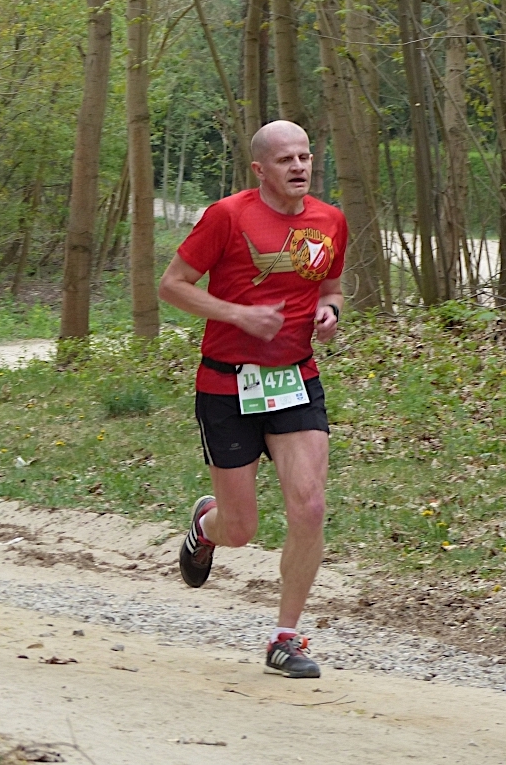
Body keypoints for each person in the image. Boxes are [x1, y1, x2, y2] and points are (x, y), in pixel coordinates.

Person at [158, 120, 347, 679]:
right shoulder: (227, 216)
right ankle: (206, 526)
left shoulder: (329, 220)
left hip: (295, 379)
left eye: (305, 156)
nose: (299, 166)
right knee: (240, 529)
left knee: (310, 507)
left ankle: (285, 639)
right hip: (226, 384)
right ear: (260, 169)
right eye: (286, 159)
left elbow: (332, 287)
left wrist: (330, 312)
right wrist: (238, 315)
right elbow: (172, 285)